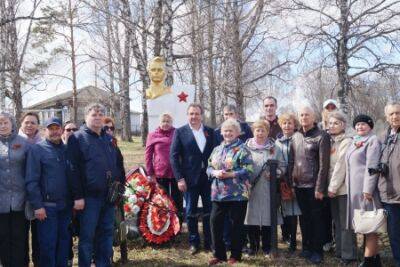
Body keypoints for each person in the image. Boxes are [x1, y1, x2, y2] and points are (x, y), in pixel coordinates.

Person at [66, 103, 125, 266]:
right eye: (94, 114)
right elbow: (72, 170)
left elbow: (118, 164)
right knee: (87, 237)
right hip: (89, 198)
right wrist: (78, 197)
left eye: (100, 114)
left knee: (106, 234)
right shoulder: (76, 138)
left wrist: (120, 187)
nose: (98, 117)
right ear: (86, 118)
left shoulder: (109, 139)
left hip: (109, 197)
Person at [25, 117, 72, 267]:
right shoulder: (37, 150)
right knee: (48, 246)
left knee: (64, 243)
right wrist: (38, 206)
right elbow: (31, 181)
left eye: (57, 128)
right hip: (47, 207)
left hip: (65, 207)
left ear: (61, 130)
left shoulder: (67, 150)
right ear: (45, 131)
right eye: (50, 129)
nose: (54, 132)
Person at [207, 119, 253, 265]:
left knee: (236, 226)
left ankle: (235, 255)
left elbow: (249, 170)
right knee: (215, 222)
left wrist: (231, 174)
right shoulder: (217, 149)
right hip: (218, 194)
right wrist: (214, 172)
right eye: (225, 131)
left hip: (237, 195)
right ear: (221, 133)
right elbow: (208, 167)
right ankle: (219, 255)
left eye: (231, 131)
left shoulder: (243, 149)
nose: (228, 133)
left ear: (237, 133)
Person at [170, 103, 214, 254]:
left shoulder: (209, 131)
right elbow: (174, 157)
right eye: (191, 114)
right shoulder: (180, 132)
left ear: (201, 115)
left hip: (208, 178)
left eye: (196, 113)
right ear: (187, 115)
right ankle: (194, 242)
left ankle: (209, 242)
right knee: (190, 211)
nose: (193, 116)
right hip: (189, 179)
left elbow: (216, 153)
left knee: (209, 211)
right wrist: (179, 178)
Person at [292, 106, 331, 264]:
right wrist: (291, 182)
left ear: (313, 117)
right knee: (304, 218)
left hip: (314, 186)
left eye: (307, 115)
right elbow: (291, 161)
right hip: (298, 185)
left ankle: (317, 251)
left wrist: (320, 188)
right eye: (301, 115)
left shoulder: (321, 136)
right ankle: (306, 248)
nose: (304, 117)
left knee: (317, 219)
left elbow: (324, 165)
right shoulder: (296, 136)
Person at [244, 120, 284, 258]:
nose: (260, 133)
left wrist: (274, 174)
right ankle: (253, 247)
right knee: (251, 218)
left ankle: (267, 248)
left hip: (269, 190)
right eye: (257, 130)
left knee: (268, 218)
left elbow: (282, 167)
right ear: (253, 131)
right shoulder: (245, 148)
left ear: (268, 132)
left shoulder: (275, 148)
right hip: (251, 189)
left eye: (263, 130)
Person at [346, 114, 382, 266]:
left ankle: (368, 262)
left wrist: (368, 189)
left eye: (363, 124)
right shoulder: (354, 141)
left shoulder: (373, 140)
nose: (360, 127)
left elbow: (372, 166)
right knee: (364, 225)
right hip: (354, 190)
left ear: (370, 126)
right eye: (357, 124)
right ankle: (375, 259)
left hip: (365, 191)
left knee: (370, 226)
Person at [0, 111, 30, 267]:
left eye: (6, 122)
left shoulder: (24, 143)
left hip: (20, 200)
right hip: (1, 202)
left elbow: (31, 170)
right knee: (3, 239)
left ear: (12, 124)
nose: (3, 125)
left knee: (20, 238)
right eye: (0, 123)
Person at [326, 112, 357, 264]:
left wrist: (332, 187)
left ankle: (349, 254)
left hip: (343, 188)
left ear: (343, 125)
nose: (332, 126)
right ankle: (339, 251)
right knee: (337, 221)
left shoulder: (346, 141)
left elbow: (340, 166)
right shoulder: (331, 141)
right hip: (332, 189)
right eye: (330, 123)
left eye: (336, 123)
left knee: (345, 223)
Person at [145, 113, 183, 222]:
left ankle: (178, 225)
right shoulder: (152, 135)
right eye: (163, 121)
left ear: (172, 123)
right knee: (162, 200)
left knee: (177, 201)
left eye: (168, 121)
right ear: (159, 122)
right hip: (160, 173)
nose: (165, 124)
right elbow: (148, 155)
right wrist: (150, 173)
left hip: (176, 173)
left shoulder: (177, 133)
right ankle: (163, 227)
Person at [102, 116, 128, 264]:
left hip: (117, 190)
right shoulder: (98, 146)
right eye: (106, 128)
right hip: (102, 193)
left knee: (121, 223)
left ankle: (124, 254)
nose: (109, 131)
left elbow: (121, 169)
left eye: (112, 128)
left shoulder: (115, 146)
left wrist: (122, 186)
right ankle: (107, 256)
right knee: (106, 227)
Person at [275, 113, 302, 254]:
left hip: (296, 180)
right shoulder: (277, 142)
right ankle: (286, 237)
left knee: (294, 212)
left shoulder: (299, 139)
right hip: (282, 181)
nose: (287, 126)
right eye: (284, 123)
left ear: (294, 125)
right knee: (285, 210)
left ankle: (293, 242)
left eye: (290, 123)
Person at [378, 102, 400, 267]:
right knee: (394, 233)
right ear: (387, 117)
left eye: (398, 113)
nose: (395, 116)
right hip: (388, 194)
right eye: (391, 114)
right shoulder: (382, 137)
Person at [19, 112, 42, 267]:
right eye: (26, 122)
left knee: (38, 235)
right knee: (21, 235)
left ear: (38, 125)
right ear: (21, 124)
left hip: (38, 195)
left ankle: (38, 262)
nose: (29, 125)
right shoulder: (14, 142)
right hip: (18, 195)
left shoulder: (43, 143)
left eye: (33, 122)